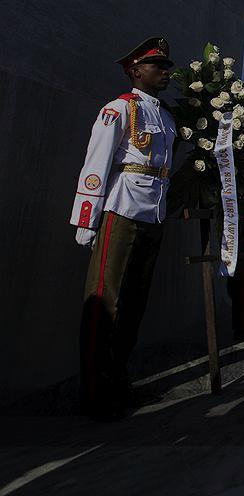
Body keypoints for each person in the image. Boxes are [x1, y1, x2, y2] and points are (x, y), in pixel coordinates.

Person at [70, 36, 176, 419]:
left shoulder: (166, 116)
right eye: (157, 65)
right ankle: (94, 390)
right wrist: (87, 219)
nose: (165, 72)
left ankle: (117, 378)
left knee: (134, 303)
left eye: (166, 66)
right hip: (121, 209)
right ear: (135, 70)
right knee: (105, 301)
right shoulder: (119, 109)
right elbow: (96, 163)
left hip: (153, 215)